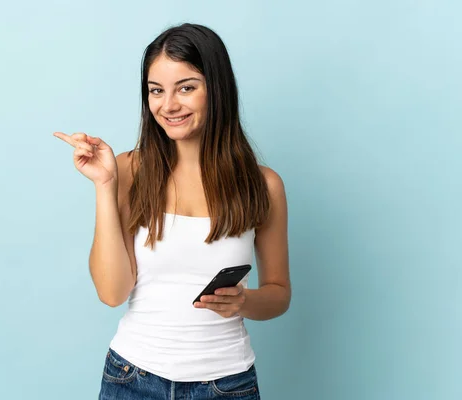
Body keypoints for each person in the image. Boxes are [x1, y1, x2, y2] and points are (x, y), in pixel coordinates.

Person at [54, 23, 290, 400]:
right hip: (131, 379)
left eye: (186, 87)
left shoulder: (263, 185)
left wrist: (244, 301)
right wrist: (104, 185)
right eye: (156, 91)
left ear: (217, 88)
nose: (169, 105)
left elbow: (279, 294)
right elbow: (112, 293)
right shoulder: (129, 170)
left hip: (227, 385)